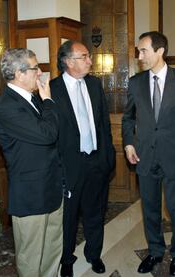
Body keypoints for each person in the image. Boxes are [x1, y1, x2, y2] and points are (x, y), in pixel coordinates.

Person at [121, 31, 175, 276]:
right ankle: (155, 251)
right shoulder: (136, 83)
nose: (139, 55)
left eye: (143, 50)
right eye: (138, 51)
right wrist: (128, 144)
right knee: (150, 209)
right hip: (144, 157)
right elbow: (128, 117)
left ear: (160, 51)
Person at [0, 48, 63, 277]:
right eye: (35, 68)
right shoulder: (7, 107)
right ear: (19, 73)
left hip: (51, 186)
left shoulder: (32, 99)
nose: (40, 73)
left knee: (53, 248)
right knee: (31, 256)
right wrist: (49, 100)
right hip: (30, 194)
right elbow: (47, 134)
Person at [50, 40, 116, 277]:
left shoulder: (94, 84)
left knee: (95, 212)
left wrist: (108, 157)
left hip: (96, 161)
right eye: (85, 56)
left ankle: (94, 254)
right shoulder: (51, 89)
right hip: (70, 166)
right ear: (68, 61)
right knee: (68, 217)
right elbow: (50, 133)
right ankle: (67, 259)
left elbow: (104, 123)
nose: (90, 61)